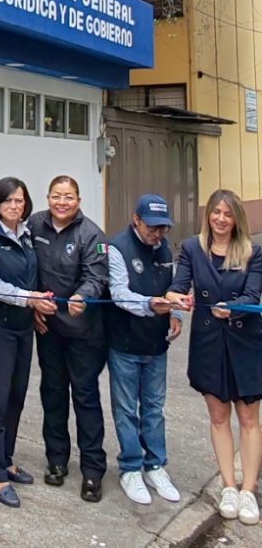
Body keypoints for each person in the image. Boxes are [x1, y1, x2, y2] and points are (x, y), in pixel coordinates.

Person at [166, 189, 262, 526]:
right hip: (208, 341)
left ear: (238, 218)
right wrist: (176, 299)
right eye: (216, 213)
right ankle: (229, 486)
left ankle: (249, 490)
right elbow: (178, 285)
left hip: (246, 341)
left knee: (249, 418)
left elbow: (252, 293)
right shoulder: (193, 248)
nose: (221, 219)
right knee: (219, 416)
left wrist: (231, 308)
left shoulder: (254, 251)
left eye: (228, 214)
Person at [0, 177, 56, 508]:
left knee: (16, 396)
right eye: (8, 201)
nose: (14, 206)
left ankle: (6, 457)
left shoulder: (26, 234)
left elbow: (32, 276)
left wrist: (34, 308)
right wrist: (30, 299)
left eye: (20, 201)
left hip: (23, 327)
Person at [27, 175, 108, 502]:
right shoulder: (34, 225)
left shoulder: (91, 234)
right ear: (48, 198)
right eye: (57, 196)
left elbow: (97, 275)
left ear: (78, 200)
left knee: (85, 398)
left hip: (83, 332)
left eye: (69, 197)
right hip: (48, 328)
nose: (62, 202)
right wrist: (32, 305)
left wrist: (82, 296)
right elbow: (27, 267)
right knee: (53, 394)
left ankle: (92, 469)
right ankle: (56, 461)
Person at [107, 194, 183, 505]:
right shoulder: (117, 248)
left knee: (154, 409)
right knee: (126, 410)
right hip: (125, 343)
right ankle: (130, 468)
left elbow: (174, 287)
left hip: (157, 344)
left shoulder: (164, 248)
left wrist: (175, 313)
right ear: (136, 219)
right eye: (152, 227)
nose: (158, 233)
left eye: (163, 227)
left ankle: (155, 465)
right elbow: (118, 293)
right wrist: (150, 304)